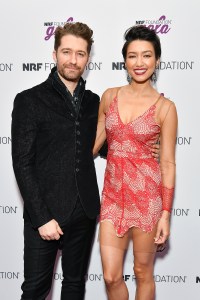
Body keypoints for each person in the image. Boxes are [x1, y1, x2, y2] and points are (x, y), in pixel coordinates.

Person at [11, 22, 101, 300]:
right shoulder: (29, 100)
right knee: (36, 290)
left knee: (74, 287)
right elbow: (22, 162)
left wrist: (146, 145)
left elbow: (99, 145)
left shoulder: (93, 102)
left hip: (84, 212)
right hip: (45, 214)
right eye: (66, 52)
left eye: (81, 54)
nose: (73, 60)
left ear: (88, 58)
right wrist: (42, 218)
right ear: (54, 54)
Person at [93, 25, 178, 300]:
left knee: (143, 272)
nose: (139, 63)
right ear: (125, 60)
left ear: (157, 61)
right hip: (113, 197)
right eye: (132, 56)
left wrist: (165, 213)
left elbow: (167, 163)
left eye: (146, 56)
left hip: (147, 199)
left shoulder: (166, 108)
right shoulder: (109, 96)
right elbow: (92, 147)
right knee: (111, 276)